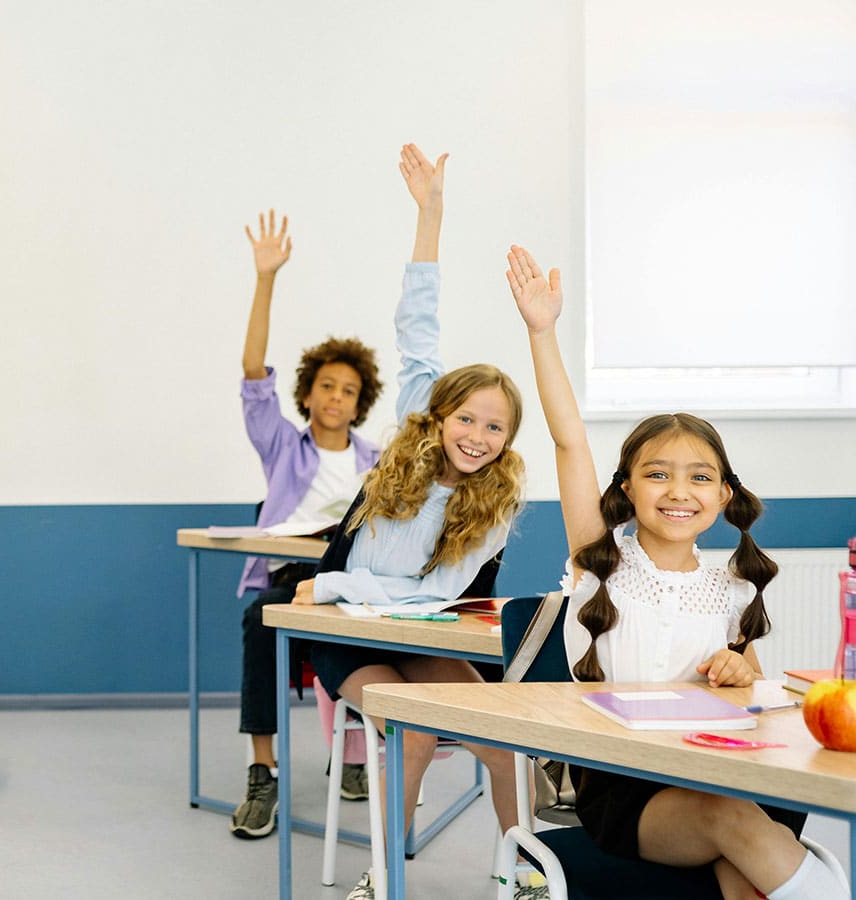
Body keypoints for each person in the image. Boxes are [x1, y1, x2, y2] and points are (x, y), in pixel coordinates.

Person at [509, 244, 843, 899]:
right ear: (627, 489)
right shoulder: (599, 561)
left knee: (745, 874)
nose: (677, 490)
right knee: (730, 821)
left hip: (722, 778)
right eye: (657, 474)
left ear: (723, 496)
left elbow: (742, 707)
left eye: (699, 477)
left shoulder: (736, 591)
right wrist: (542, 334)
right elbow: (569, 439)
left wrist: (743, 676)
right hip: (629, 795)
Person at [266, 146, 530, 900]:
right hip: (346, 635)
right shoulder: (413, 429)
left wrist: (343, 581)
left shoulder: (495, 502)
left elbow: (434, 596)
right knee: (410, 729)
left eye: (496, 429)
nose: (478, 437)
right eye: (468, 418)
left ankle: (523, 875)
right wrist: (430, 214)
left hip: (398, 622)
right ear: (440, 413)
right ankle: (383, 879)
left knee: (505, 738)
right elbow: (417, 321)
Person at [231, 207, 385, 825]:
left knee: (359, 631)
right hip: (288, 579)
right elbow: (251, 376)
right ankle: (262, 770)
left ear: (359, 402)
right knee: (257, 619)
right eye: (326, 385)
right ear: (309, 393)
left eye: (348, 390)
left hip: (349, 586)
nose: (335, 397)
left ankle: (352, 752)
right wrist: (266, 278)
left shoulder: (378, 462)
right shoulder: (281, 446)